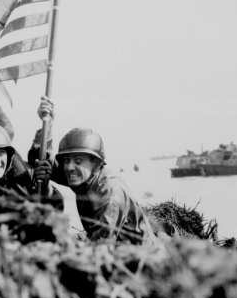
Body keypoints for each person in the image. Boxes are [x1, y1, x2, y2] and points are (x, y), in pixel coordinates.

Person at [36, 97, 155, 244]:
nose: (69, 167)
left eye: (78, 160)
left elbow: (101, 248)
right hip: (118, 250)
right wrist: (47, 125)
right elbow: (41, 160)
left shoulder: (109, 192)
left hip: (141, 259)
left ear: (96, 163)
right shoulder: (83, 177)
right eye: (66, 160)